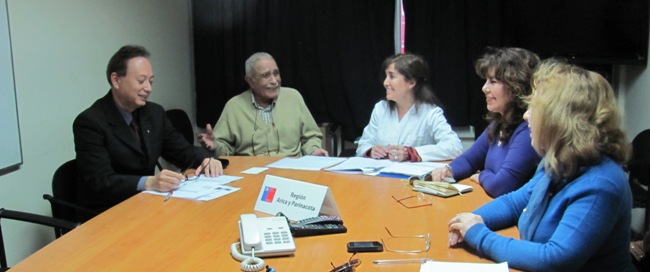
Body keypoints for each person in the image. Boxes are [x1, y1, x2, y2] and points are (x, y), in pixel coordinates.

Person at [447, 60, 647, 272]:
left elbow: (554, 259)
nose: (526, 116)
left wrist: (478, 235)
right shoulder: (558, 159)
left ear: (560, 118)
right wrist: (469, 219)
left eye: (534, 108)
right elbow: (516, 201)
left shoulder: (601, 183)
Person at [74, 45, 225, 215]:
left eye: (151, 81)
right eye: (141, 81)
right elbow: (102, 181)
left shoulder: (154, 113)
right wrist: (149, 183)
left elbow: (182, 151)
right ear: (116, 80)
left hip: (146, 205)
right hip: (110, 211)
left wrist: (206, 159)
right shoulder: (90, 122)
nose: (148, 88)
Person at [429, 47, 541, 197]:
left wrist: (482, 175)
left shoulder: (527, 130)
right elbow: (469, 160)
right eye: (486, 81)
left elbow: (501, 186)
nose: (484, 88)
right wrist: (448, 170)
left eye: (493, 82)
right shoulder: (498, 124)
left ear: (516, 87)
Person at [197, 52, 328, 157]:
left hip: (291, 173)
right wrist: (215, 146)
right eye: (266, 75)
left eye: (276, 73)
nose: (274, 81)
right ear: (250, 80)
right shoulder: (233, 106)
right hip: (250, 175)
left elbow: (312, 136)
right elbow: (225, 150)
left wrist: (313, 150)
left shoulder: (293, 97)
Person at [355, 53, 463, 162]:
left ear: (411, 82)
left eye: (392, 76)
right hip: (380, 176)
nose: (385, 82)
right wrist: (370, 151)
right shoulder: (381, 109)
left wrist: (412, 153)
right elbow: (363, 144)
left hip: (411, 177)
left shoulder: (430, 113)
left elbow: (454, 147)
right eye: (385, 76)